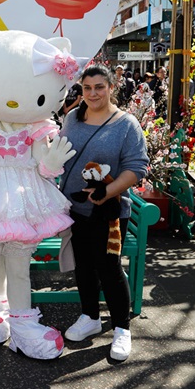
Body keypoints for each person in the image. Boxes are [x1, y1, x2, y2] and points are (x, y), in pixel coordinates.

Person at [60, 64, 148, 362]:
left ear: (111, 87)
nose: (93, 93)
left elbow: (136, 168)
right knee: (83, 266)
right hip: (75, 209)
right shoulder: (73, 118)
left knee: (109, 268)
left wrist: (105, 192)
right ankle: (90, 317)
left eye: (99, 87)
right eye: (87, 88)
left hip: (108, 211)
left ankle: (122, 328)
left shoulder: (126, 124)